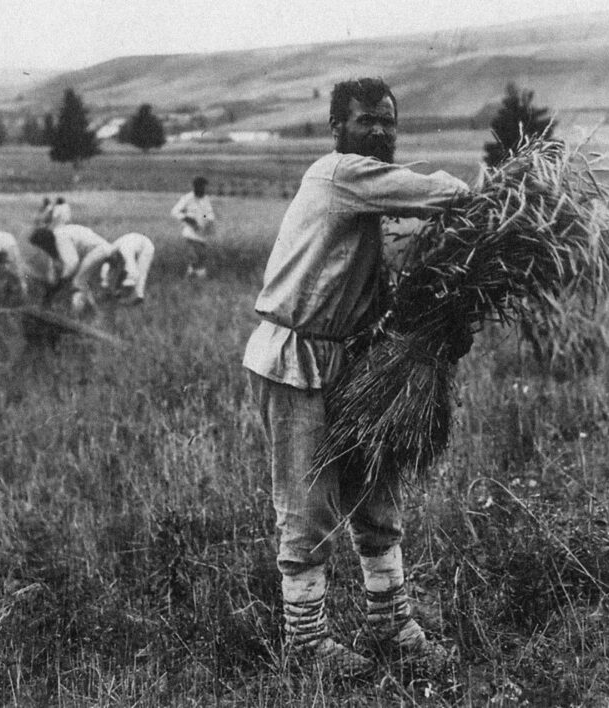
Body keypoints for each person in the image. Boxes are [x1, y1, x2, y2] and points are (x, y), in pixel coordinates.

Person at [241, 78, 470, 676]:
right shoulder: (340, 174)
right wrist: (494, 198)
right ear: (338, 129)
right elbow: (442, 192)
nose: (381, 132)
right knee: (308, 502)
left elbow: (391, 286)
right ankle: (307, 644)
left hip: (350, 361)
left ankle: (390, 625)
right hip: (294, 358)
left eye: (389, 122)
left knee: (378, 490)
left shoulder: (370, 203)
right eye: (367, 121)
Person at [29, 224, 109, 313]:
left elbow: (72, 263)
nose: (42, 250)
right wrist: (53, 286)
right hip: (96, 252)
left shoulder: (61, 238)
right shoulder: (56, 238)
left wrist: (58, 285)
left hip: (100, 250)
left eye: (41, 246)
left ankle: (79, 314)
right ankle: (94, 313)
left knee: (78, 282)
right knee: (83, 285)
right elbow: (55, 268)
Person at [171, 176, 215, 278]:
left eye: (204, 187)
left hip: (202, 232)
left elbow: (208, 213)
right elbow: (174, 211)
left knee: (201, 255)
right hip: (190, 232)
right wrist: (187, 218)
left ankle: (192, 275)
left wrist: (208, 221)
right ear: (195, 187)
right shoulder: (187, 198)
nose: (203, 190)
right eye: (201, 187)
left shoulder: (205, 199)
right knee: (196, 254)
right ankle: (199, 276)